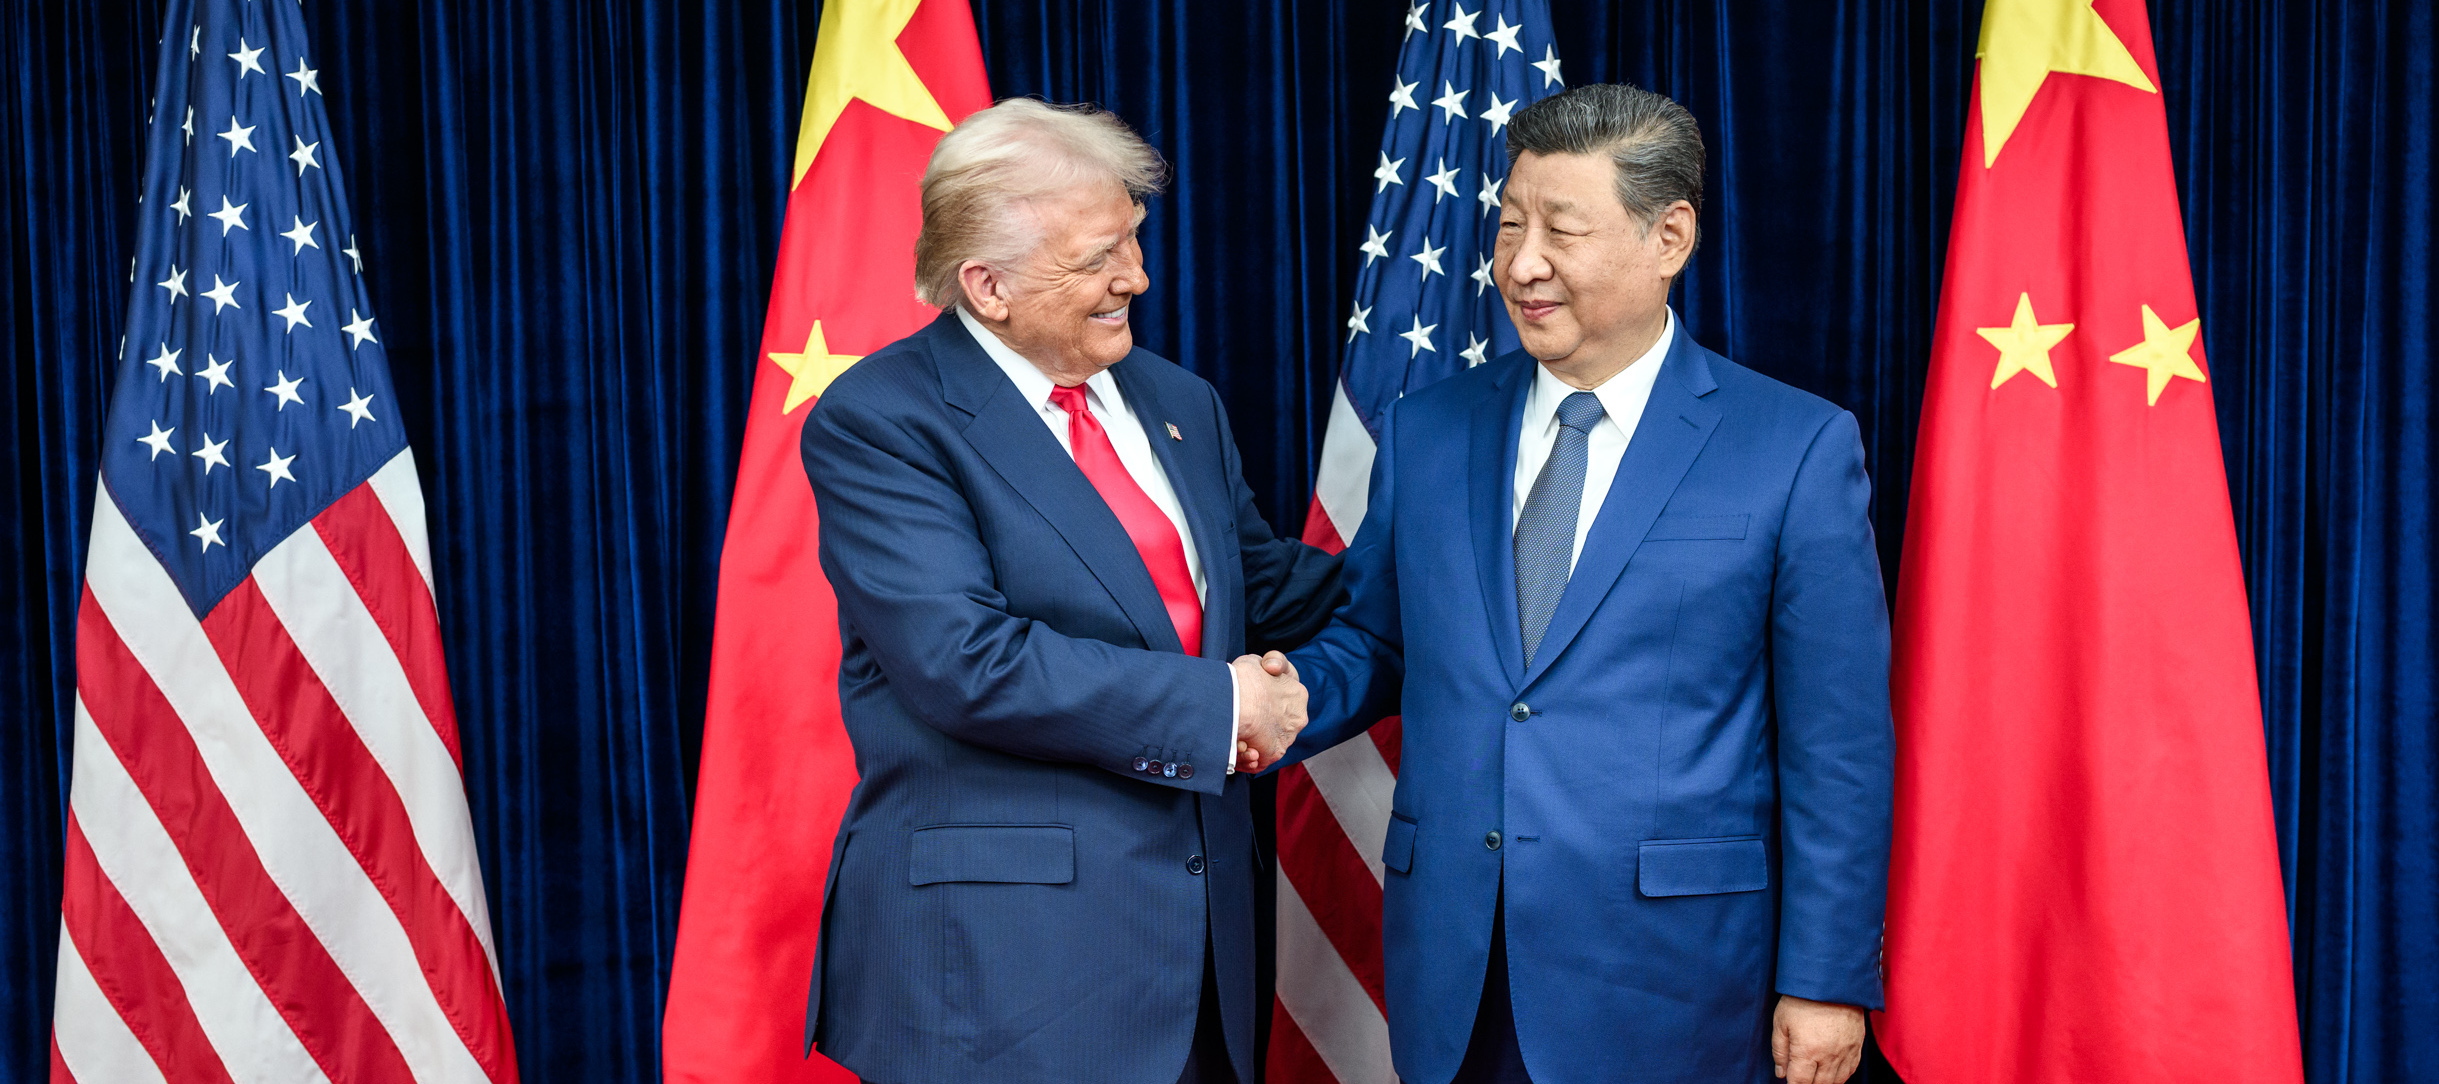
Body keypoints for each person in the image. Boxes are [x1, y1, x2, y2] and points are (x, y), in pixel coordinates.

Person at [1277, 83, 1896, 1084]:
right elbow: (1380, 644)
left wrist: (1825, 978)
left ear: (1671, 238)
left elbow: (1839, 747)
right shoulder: (1429, 432)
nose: (1522, 264)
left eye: (1561, 230)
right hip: (1457, 970)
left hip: (1675, 980)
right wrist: (1248, 709)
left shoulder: (1793, 447)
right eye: (1510, 225)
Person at [797, 98, 1339, 1084]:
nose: (1136, 277)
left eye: (1132, 239)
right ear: (987, 285)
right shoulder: (883, 420)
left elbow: (1261, 585)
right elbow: (967, 662)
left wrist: (1465, 587)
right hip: (1005, 975)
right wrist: (1227, 706)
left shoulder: (1179, 402)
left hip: (1200, 961)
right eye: (1098, 257)